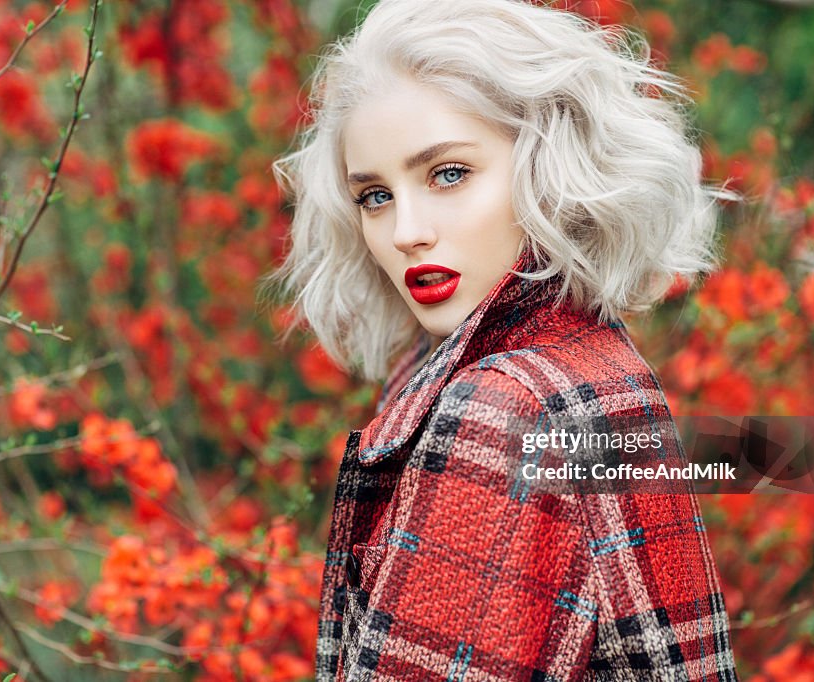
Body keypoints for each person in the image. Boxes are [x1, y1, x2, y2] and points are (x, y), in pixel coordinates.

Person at [271, 0, 738, 679]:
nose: (406, 231)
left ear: (547, 167)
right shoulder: (592, 363)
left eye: (448, 173)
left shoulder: (502, 408)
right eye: (374, 195)